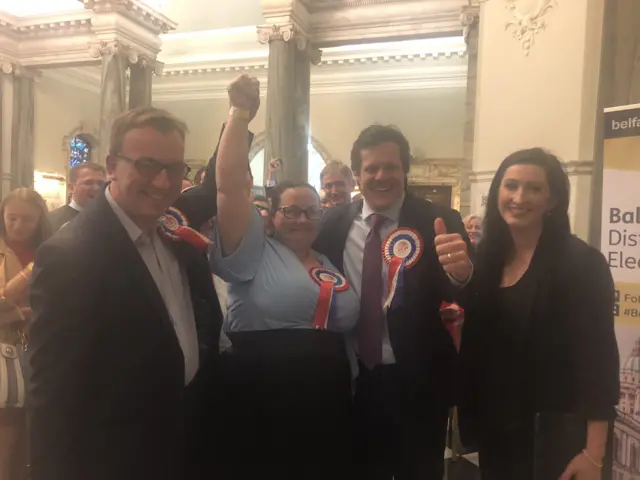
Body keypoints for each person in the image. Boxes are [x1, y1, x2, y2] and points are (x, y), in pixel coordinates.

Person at [28, 107, 223, 480]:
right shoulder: (71, 253)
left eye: (175, 167)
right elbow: (52, 393)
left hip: (181, 449)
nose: (164, 181)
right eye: (148, 165)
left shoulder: (175, 242)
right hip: (114, 459)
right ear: (112, 166)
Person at [211, 75, 359, 479]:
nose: (302, 218)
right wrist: (240, 116)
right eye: (290, 210)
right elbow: (229, 187)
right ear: (271, 219)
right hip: (263, 391)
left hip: (326, 397)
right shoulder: (255, 251)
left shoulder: (329, 263)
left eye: (312, 210)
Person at [314, 124, 473, 479]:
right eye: (371, 168)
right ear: (357, 174)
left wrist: (462, 275)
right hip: (353, 381)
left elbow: (466, 295)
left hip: (418, 382)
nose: (381, 176)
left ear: (405, 170)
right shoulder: (334, 223)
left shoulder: (440, 221)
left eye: (390, 166)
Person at [458, 148, 619, 480]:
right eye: (511, 185)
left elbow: (599, 362)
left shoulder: (581, 263)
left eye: (534, 188)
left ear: (553, 201)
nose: (519, 197)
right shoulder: (488, 260)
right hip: (499, 430)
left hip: (557, 436)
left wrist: (594, 453)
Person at [0, 188, 52, 480]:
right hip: (5, 350)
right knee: (6, 434)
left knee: (34, 434)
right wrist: (23, 311)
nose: (18, 226)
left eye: (27, 220)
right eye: (12, 218)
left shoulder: (54, 249)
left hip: (43, 351)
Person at [48, 163, 106, 230]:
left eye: (100, 183)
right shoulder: (51, 220)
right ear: (71, 188)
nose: (96, 188)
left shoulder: (109, 217)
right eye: (88, 183)